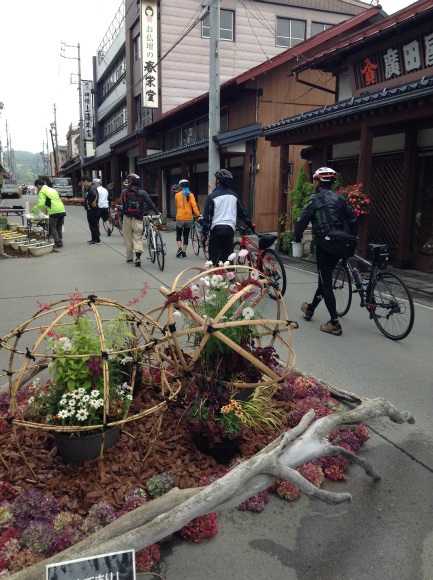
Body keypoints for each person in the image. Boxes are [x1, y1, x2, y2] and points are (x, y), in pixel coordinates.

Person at [294, 167, 358, 336]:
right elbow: (353, 221)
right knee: (324, 279)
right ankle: (310, 309)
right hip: (338, 244)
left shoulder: (315, 199)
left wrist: (298, 235)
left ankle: (334, 323)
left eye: (314, 181)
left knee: (326, 282)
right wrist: (349, 237)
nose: (314, 184)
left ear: (318, 183)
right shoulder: (340, 199)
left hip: (324, 245)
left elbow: (302, 220)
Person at [201, 169, 254, 266]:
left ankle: (216, 278)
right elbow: (242, 212)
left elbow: (207, 218)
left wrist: (204, 234)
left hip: (216, 230)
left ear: (218, 181)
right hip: (229, 230)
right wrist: (250, 224)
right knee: (227, 258)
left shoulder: (212, 196)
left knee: (214, 259)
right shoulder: (234, 196)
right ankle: (229, 278)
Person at [121, 173, 159, 267]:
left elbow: (123, 206)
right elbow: (150, 204)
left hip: (127, 218)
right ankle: (138, 257)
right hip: (138, 218)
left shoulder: (124, 192)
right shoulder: (142, 192)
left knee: (128, 239)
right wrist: (157, 212)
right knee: (137, 238)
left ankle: (129, 258)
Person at [33, 178, 66, 248]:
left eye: (36, 187)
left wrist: (34, 209)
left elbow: (41, 203)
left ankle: (57, 242)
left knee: (53, 227)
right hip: (62, 209)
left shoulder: (42, 191)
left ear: (38, 185)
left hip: (54, 210)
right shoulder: (52, 189)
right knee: (59, 226)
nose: (37, 189)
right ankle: (60, 241)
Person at [174, 179, 201, 258]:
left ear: (181, 186)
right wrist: (198, 215)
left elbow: (177, 205)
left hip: (180, 217)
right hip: (189, 218)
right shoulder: (191, 195)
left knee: (179, 234)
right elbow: (194, 205)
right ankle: (184, 252)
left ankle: (179, 248)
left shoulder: (177, 195)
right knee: (186, 235)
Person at [82, 176, 100, 245]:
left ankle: (96, 240)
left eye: (83, 182)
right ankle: (94, 238)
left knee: (93, 225)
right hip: (90, 210)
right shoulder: (89, 188)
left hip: (93, 210)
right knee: (92, 225)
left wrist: (93, 203)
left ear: (86, 181)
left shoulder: (92, 188)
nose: (83, 184)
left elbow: (95, 196)